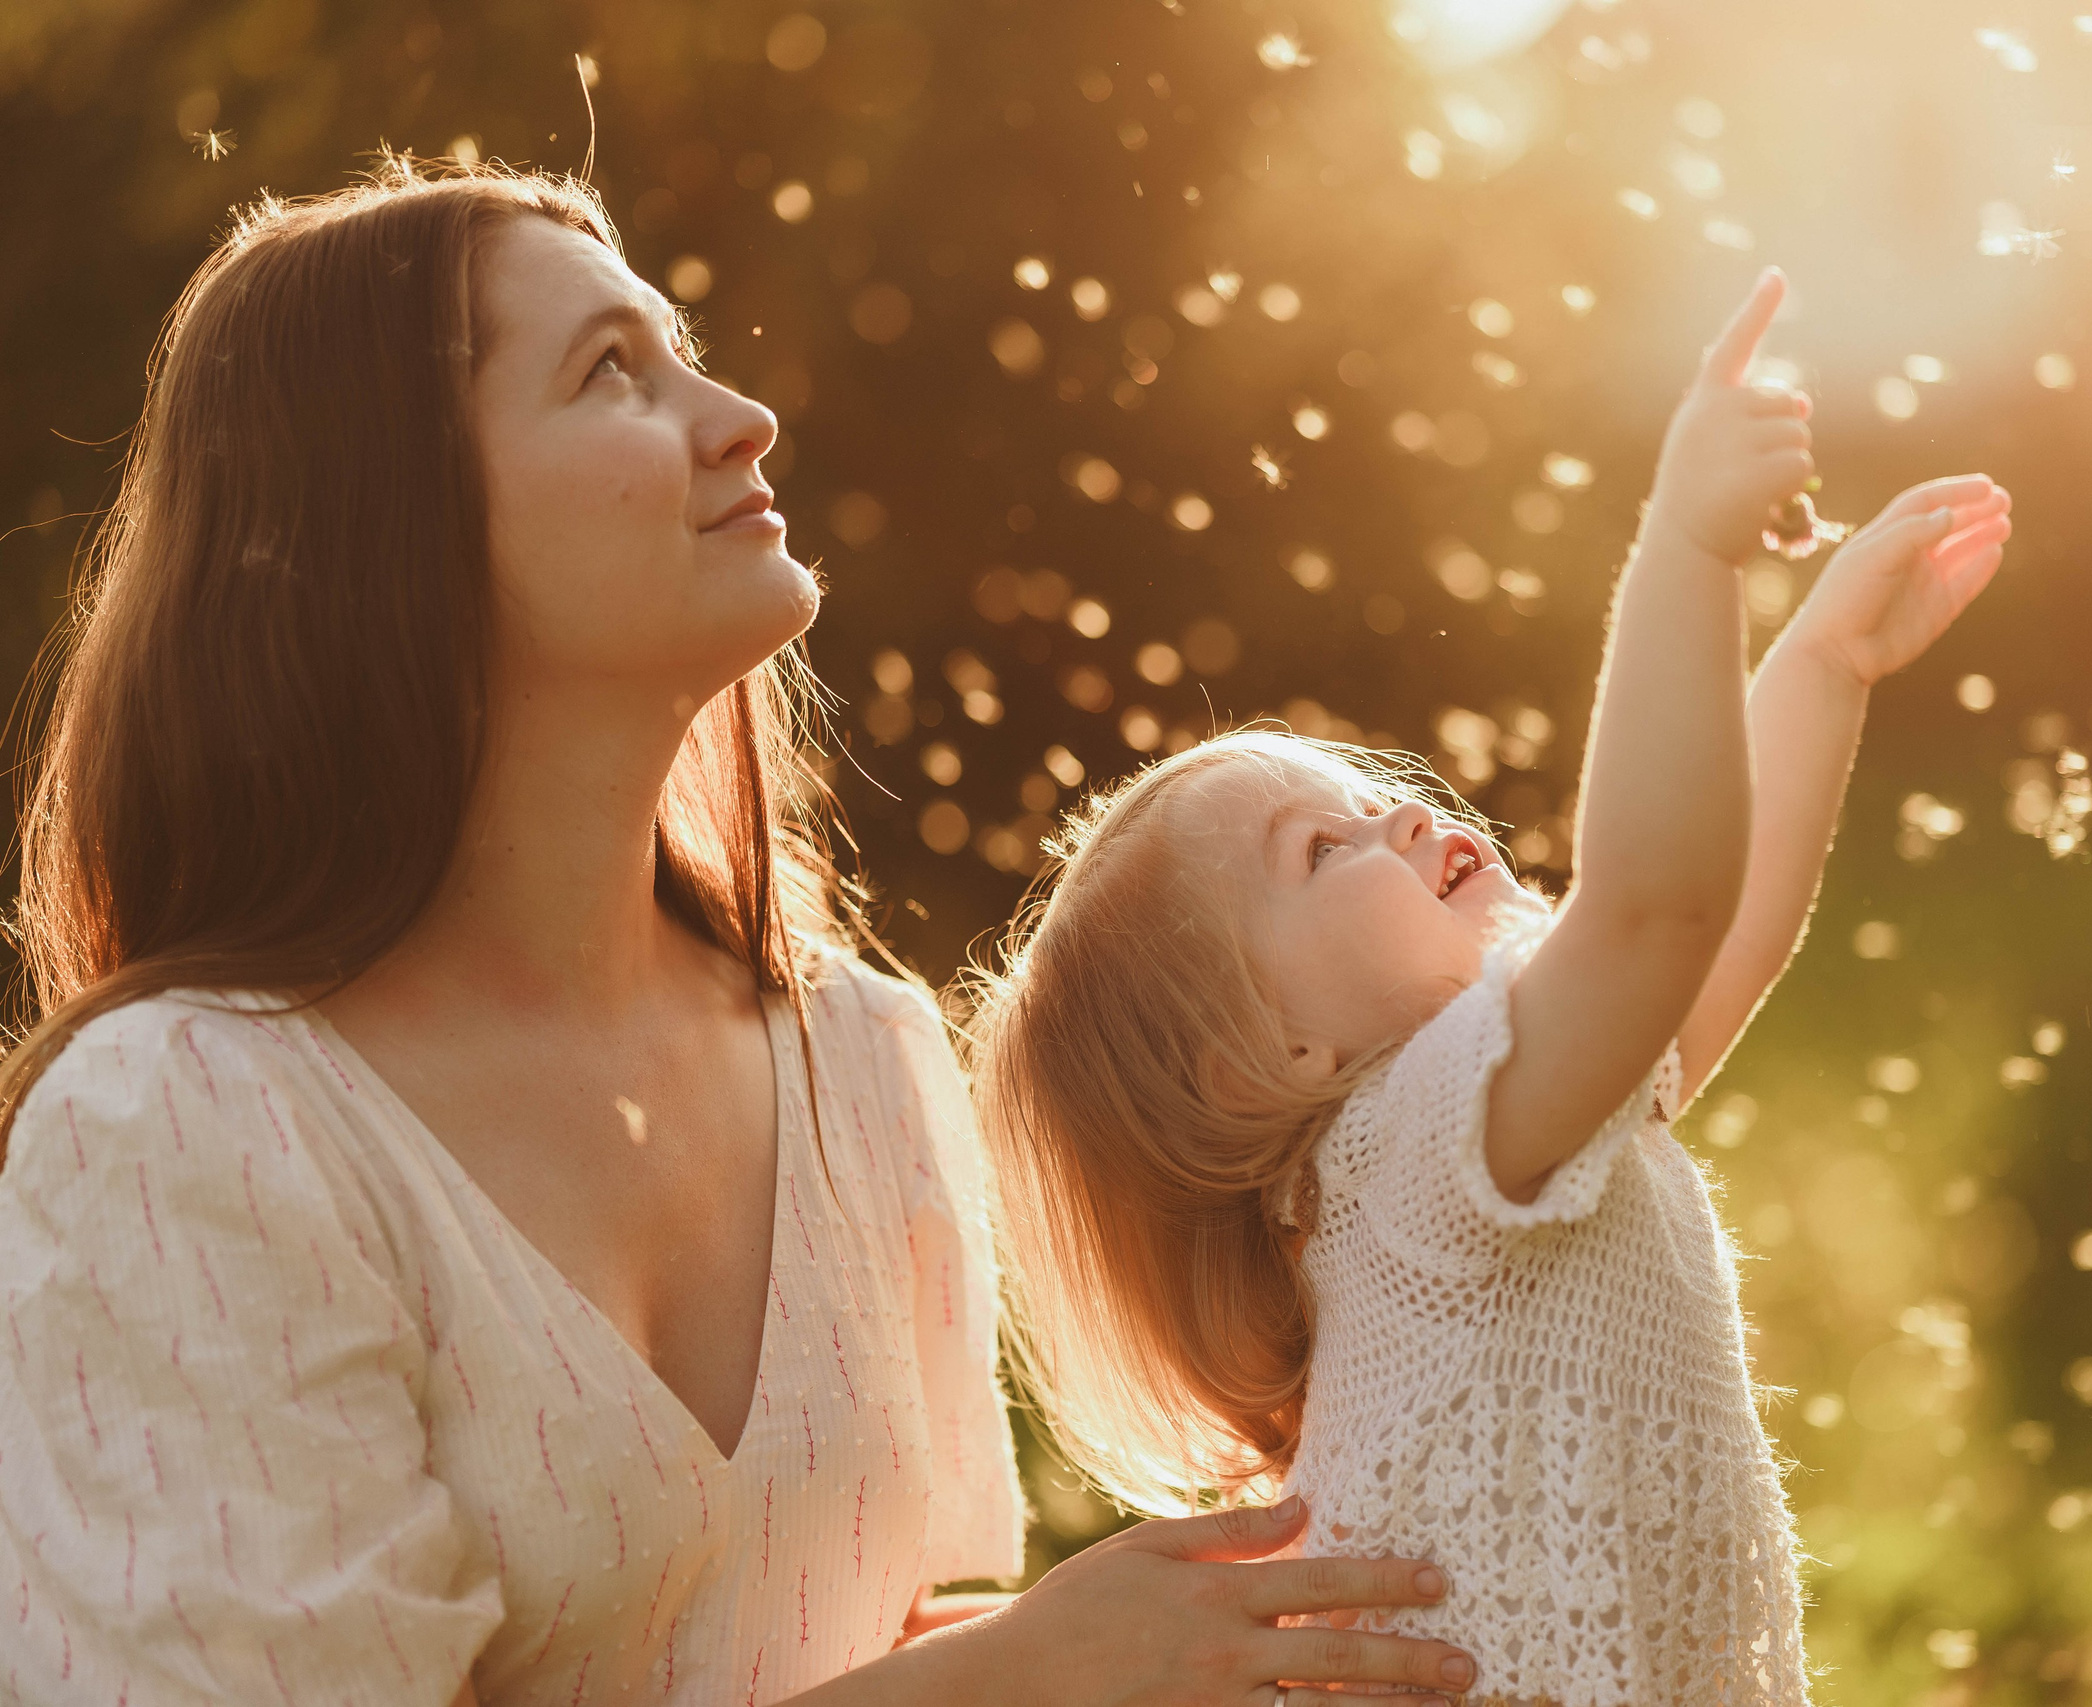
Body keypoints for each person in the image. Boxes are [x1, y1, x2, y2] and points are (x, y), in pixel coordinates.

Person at [0, 159, 1479, 1706]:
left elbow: (870, 1638)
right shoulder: (186, 1130)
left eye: (679, 347)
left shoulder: (863, 1058)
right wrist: (1016, 1682)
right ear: (386, 525)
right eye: (611, 374)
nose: (739, 418)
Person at [970, 270, 2013, 1703]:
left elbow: (1710, 942)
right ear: (1257, 1056)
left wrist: (1824, 658)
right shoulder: (1413, 1155)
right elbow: (1658, 907)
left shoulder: (1517, 1113)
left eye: (1371, 795)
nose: (1400, 818)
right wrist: (1686, 554)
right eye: (1324, 848)